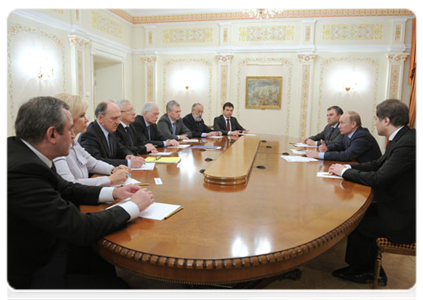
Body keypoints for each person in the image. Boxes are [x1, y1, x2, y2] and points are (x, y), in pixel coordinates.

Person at [6, 96, 155, 300]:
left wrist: (114, 193)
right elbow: (79, 227)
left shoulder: (25, 151)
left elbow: (67, 188)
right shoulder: (21, 171)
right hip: (30, 273)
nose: (74, 136)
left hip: (47, 243)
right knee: (120, 291)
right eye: (70, 130)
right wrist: (133, 207)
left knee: (102, 262)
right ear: (52, 134)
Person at [328, 99, 420, 286]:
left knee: (359, 223)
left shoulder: (408, 143)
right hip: (396, 204)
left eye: (377, 119)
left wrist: (345, 172)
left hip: (405, 217)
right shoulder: (402, 137)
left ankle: (365, 271)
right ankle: (365, 266)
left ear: (386, 120)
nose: (375, 123)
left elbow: (379, 178)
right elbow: (377, 164)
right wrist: (346, 167)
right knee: (357, 214)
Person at [52, 93, 129, 187]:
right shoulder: (56, 148)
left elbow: (93, 163)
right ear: (68, 118)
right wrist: (110, 179)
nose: (87, 120)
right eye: (82, 116)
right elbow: (69, 184)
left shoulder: (74, 143)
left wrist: (113, 169)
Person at [79, 100, 145, 167]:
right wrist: (128, 163)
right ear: (100, 118)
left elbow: (120, 149)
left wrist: (128, 155)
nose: (118, 122)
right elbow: (97, 161)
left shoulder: (110, 130)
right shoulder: (89, 134)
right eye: (114, 118)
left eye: (119, 117)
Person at [306, 111, 381, 163]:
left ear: (353, 124)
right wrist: (327, 148)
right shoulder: (348, 134)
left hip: (369, 174)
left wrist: (319, 155)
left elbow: (346, 155)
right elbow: (339, 145)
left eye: (342, 123)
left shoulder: (362, 136)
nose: (339, 126)